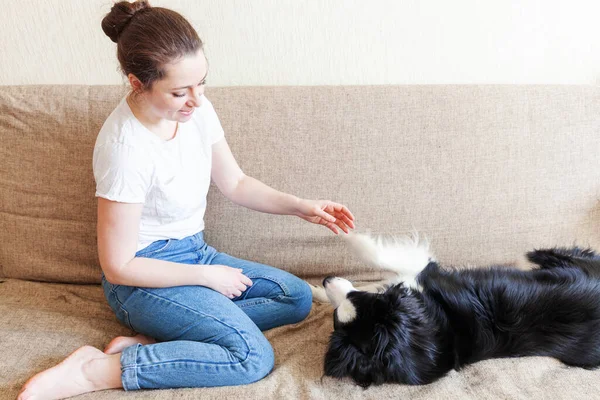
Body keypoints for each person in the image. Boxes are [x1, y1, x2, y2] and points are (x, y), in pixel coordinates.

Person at [17, 1, 355, 399]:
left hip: (194, 251)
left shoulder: (195, 111)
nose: (196, 99)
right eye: (179, 91)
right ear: (137, 82)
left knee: (295, 297)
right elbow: (119, 265)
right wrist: (206, 277)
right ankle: (94, 371)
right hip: (141, 280)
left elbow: (236, 182)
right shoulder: (125, 148)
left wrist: (303, 207)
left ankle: (168, 342)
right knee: (251, 357)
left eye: (202, 83)